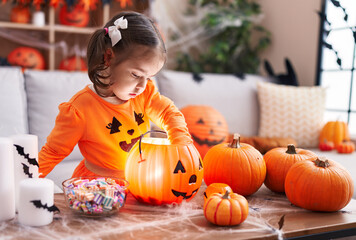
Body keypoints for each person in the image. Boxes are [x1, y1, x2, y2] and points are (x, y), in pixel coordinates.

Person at [39, 11, 192, 179]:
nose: (142, 85)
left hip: (138, 179)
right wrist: (24, 180)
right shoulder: (79, 109)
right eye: (136, 75)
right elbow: (53, 152)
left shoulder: (145, 92)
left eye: (148, 77)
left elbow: (167, 112)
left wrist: (181, 144)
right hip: (97, 186)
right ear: (108, 57)